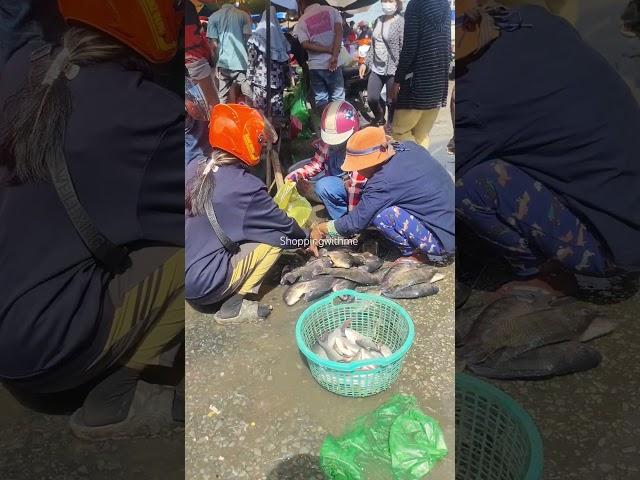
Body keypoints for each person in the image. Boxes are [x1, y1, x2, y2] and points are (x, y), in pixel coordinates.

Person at [0, 0, 185, 436]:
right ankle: (114, 399)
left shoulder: (19, 66)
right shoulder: (148, 113)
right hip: (38, 349)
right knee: (198, 247)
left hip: (14, 314)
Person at [455, 1, 640, 296]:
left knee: (468, 187)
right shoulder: (532, 18)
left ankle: (540, 276)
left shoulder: (474, 99)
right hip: (624, 182)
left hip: (618, 246)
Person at [186, 104, 308, 324]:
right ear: (244, 141)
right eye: (257, 137)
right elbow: (284, 226)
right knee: (277, 239)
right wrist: (305, 239)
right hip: (205, 286)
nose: (261, 142)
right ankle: (233, 308)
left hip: (186, 273)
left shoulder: (195, 166)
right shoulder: (247, 187)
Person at [309, 127, 455, 263]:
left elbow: (355, 223)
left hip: (443, 241)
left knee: (383, 216)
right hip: (451, 217)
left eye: (358, 166)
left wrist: (321, 229)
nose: (357, 172)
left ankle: (413, 254)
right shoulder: (409, 147)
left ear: (371, 161)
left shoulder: (382, 182)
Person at [285, 100, 367, 220]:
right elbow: (317, 164)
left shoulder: (360, 149)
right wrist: (297, 174)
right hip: (338, 182)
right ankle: (340, 214)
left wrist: (352, 218)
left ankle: (345, 219)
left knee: (324, 186)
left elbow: (356, 186)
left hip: (358, 190)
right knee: (323, 185)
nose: (334, 143)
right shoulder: (328, 143)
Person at [389, 0, 451, 150]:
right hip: (438, 80)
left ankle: (412, 168)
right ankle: (423, 167)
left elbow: (410, 47)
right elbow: (447, 45)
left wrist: (397, 80)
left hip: (417, 81)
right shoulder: (444, 4)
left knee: (400, 132)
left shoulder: (416, 4)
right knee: (422, 135)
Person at [294, 0, 346, 112]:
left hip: (315, 66)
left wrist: (327, 50)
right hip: (334, 64)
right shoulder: (332, 10)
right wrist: (334, 55)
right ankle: (339, 125)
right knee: (337, 98)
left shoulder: (302, 21)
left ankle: (327, 124)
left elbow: (305, 44)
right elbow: (339, 31)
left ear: (302, 4)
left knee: (321, 99)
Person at [360, 0, 405, 128]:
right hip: (376, 67)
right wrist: (365, 63)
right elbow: (373, 46)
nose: (386, 3)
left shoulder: (401, 22)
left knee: (392, 101)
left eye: (390, 0)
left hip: (393, 68)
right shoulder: (378, 20)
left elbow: (403, 48)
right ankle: (380, 116)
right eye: (384, 0)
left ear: (397, 3)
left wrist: (402, 71)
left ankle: (390, 124)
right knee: (372, 98)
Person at [247, 7, 291, 117]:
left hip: (259, 81)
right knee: (277, 110)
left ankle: (262, 133)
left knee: (260, 112)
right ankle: (278, 132)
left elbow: (252, 59)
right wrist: (288, 78)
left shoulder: (256, 38)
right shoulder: (281, 39)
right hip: (277, 80)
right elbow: (286, 61)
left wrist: (249, 77)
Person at [207, 0, 253, 104]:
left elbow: (213, 45)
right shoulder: (243, 15)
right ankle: (250, 116)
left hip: (223, 64)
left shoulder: (213, 17)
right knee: (248, 95)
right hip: (241, 63)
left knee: (222, 97)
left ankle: (222, 116)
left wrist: (216, 65)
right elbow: (248, 39)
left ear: (218, 2)